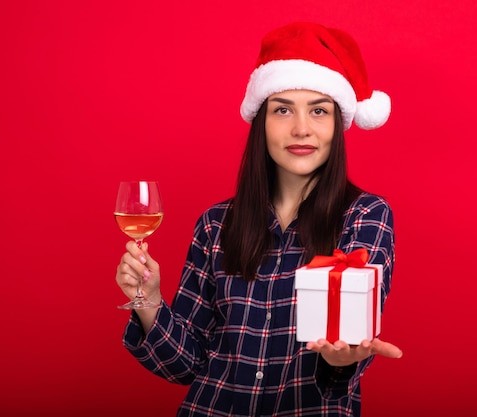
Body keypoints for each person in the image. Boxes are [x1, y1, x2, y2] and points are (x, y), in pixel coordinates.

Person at [116, 21, 402, 417]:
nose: (301, 128)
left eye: (318, 110)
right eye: (282, 109)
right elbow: (185, 365)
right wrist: (145, 299)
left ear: (337, 125)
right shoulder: (215, 225)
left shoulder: (366, 216)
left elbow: (346, 352)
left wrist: (344, 359)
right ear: (261, 123)